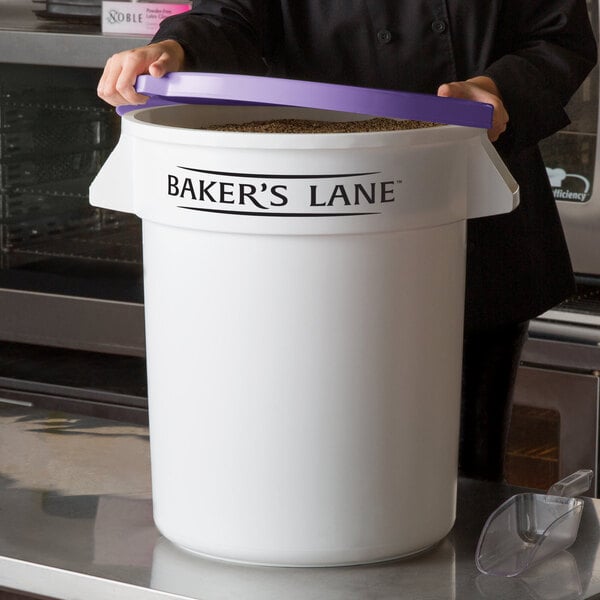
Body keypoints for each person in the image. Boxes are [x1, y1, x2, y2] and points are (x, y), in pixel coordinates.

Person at [97, 1, 597, 481]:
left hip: (476, 223)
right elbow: (232, 15)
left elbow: (559, 36)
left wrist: (498, 89)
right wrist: (173, 49)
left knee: (464, 472)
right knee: (308, 462)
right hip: (312, 216)